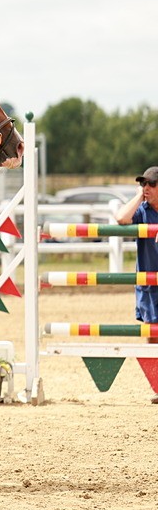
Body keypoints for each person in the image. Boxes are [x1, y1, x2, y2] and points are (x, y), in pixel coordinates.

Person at [113, 166, 158, 403]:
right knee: (153, 336)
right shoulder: (142, 210)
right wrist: (140, 196)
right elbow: (121, 218)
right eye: (143, 184)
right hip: (150, 285)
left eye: (151, 184)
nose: (146, 188)